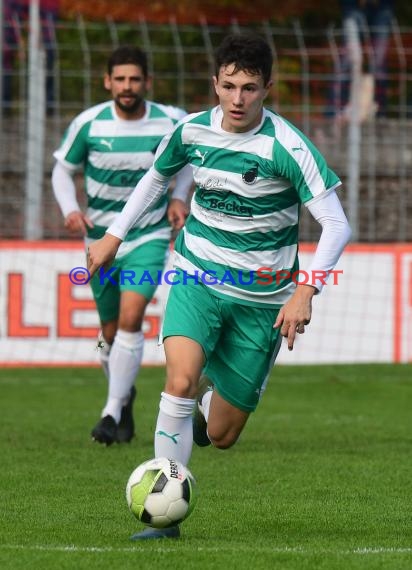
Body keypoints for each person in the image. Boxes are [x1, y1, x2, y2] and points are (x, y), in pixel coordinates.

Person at [87, 32, 352, 539]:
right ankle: (165, 520)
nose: (237, 99)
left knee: (224, 435)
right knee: (179, 380)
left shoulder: (288, 146)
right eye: (228, 86)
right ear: (215, 83)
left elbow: (336, 225)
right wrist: (114, 237)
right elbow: (155, 180)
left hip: (264, 300)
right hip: (196, 276)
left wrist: (305, 290)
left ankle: (210, 411)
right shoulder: (191, 132)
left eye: (249, 88)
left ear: (267, 88)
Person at [52, 45, 193, 446]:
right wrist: (70, 209)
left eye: (135, 79)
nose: (127, 87)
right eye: (120, 79)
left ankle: (110, 412)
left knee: (133, 316)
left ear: (146, 82)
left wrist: (179, 197)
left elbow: (188, 164)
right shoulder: (90, 123)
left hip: (148, 235)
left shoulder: (171, 121)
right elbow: (62, 171)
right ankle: (123, 397)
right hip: (100, 240)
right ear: (107, 82)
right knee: (109, 332)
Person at [329, 0, 394, 120]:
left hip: (382, 6)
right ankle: (334, 114)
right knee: (349, 59)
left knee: (379, 64)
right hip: (352, 5)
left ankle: (380, 114)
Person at [2, 0, 59, 114]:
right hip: (14, 10)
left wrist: (40, 36)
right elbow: (9, 15)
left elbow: (49, 15)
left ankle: (47, 107)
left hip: (44, 9)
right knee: (5, 56)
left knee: (48, 54)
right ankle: (5, 107)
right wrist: (19, 42)